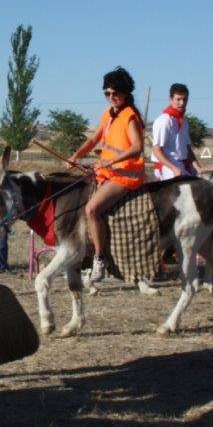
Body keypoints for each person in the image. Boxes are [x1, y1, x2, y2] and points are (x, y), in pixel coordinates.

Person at [68, 67, 146, 282]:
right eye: (107, 94)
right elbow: (94, 140)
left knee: (91, 209)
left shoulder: (130, 116)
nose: (111, 98)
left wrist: (109, 160)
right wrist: (76, 155)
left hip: (125, 175)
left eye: (115, 94)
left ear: (125, 93)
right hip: (107, 172)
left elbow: (138, 147)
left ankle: (99, 258)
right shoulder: (108, 114)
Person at [151, 83, 206, 179]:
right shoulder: (164, 120)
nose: (182, 103)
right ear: (171, 99)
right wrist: (174, 169)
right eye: (178, 99)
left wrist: (198, 167)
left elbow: (187, 148)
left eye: (185, 99)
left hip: (183, 164)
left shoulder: (184, 121)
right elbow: (156, 151)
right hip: (167, 166)